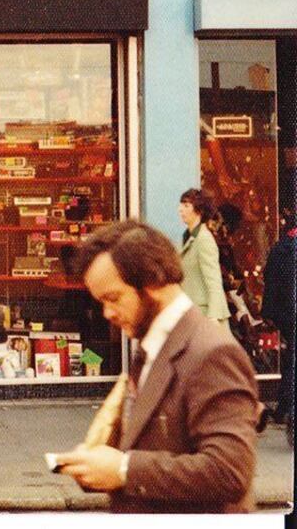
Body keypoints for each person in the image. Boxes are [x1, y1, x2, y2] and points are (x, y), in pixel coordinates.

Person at [57, 219, 259, 513]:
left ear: (153, 282)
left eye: (113, 298)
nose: (107, 313)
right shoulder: (151, 346)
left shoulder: (212, 353)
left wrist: (123, 469)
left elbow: (229, 471)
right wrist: (99, 464)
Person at [261, 212, 296, 427]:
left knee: (291, 357)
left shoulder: (279, 249)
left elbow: (270, 282)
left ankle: (284, 407)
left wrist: (269, 313)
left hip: (286, 312)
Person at [178, 188, 230, 328]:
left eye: (186, 205)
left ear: (199, 211)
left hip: (204, 316)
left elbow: (214, 282)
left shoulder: (204, 240)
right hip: (193, 315)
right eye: (181, 205)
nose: (180, 209)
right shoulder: (187, 237)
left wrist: (213, 318)